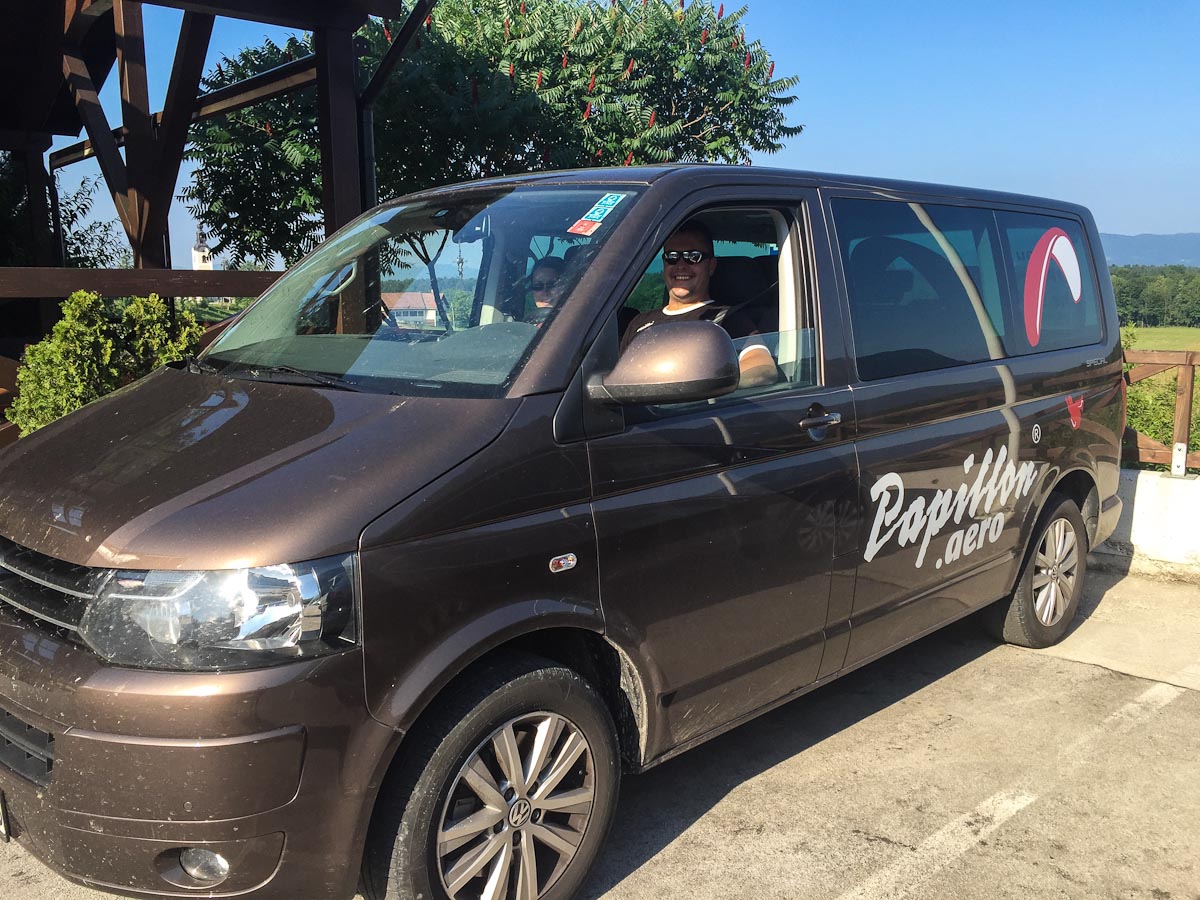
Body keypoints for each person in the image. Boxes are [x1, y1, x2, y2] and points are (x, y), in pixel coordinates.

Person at [620, 221, 778, 387]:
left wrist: (697, 387)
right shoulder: (639, 322)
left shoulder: (729, 320)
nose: (681, 265)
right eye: (672, 257)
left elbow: (762, 369)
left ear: (711, 266)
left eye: (693, 257)